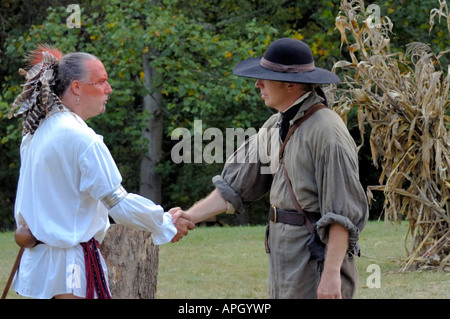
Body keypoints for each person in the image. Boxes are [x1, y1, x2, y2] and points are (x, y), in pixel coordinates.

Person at [172, 38, 369, 299]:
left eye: (266, 77)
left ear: (291, 83)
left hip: (316, 261)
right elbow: (234, 187)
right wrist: (188, 216)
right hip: (284, 256)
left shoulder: (327, 132)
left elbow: (342, 215)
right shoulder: (276, 124)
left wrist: (331, 275)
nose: (257, 84)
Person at [8, 45, 194, 299]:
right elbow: (118, 203)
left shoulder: (35, 134)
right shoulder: (83, 139)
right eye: (102, 82)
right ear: (76, 87)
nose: (109, 89)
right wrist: (164, 223)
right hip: (68, 272)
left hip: (38, 269)